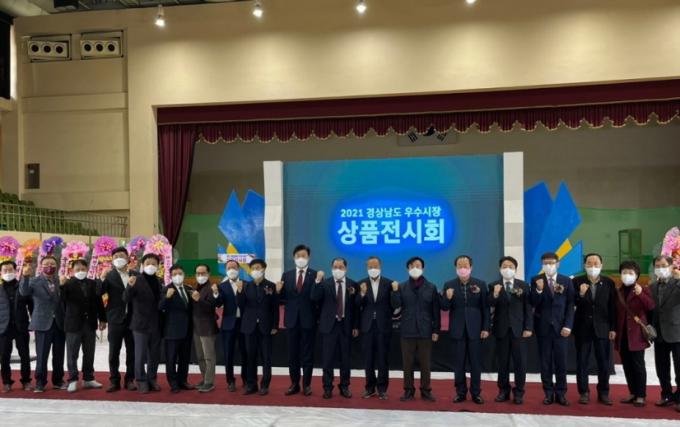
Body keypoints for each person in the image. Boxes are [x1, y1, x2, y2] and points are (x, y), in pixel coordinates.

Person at [441, 255, 490, 404]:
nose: (463, 268)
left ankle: (476, 393)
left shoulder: (480, 284)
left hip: (475, 329)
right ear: (456, 268)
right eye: (460, 266)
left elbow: (485, 308)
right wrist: (447, 298)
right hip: (457, 329)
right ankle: (460, 392)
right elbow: (444, 307)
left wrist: (485, 327)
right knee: (458, 364)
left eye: (465, 266)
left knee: (475, 363)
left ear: (471, 267)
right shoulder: (449, 284)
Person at [391, 256, 440, 402]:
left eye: (418, 266)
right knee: (407, 364)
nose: (415, 268)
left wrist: (436, 330)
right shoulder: (401, 286)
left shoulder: (431, 287)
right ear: (408, 269)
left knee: (425, 364)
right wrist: (395, 291)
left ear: (423, 268)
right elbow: (396, 305)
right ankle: (408, 390)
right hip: (407, 330)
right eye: (412, 266)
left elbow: (435, 311)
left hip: (425, 330)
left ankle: (426, 390)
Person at [530, 252, 575, 406]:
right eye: (545, 263)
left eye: (551, 263)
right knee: (545, 363)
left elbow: (570, 304)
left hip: (561, 328)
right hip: (543, 328)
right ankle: (548, 393)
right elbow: (533, 303)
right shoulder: (536, 280)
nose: (548, 266)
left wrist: (568, 325)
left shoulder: (566, 281)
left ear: (558, 264)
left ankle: (561, 393)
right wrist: (539, 290)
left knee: (561, 362)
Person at [572, 253, 617, 405]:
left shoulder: (609, 283)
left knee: (603, 362)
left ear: (601, 265)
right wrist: (580, 294)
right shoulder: (576, 281)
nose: (593, 266)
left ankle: (603, 393)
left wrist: (613, 327)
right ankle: (583, 392)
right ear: (584, 265)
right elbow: (572, 303)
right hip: (582, 328)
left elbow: (612, 307)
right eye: (589, 263)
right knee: (582, 362)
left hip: (603, 328)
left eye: (596, 263)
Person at [488, 256, 533, 405]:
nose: (507, 269)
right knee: (503, 363)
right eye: (504, 266)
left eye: (511, 266)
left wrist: (528, 327)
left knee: (520, 363)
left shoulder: (523, 285)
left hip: (519, 330)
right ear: (500, 269)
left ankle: (519, 392)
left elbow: (528, 308)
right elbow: (489, 303)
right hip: (501, 330)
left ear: (515, 269)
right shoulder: (493, 285)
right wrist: (495, 294)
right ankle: (503, 391)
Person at [311, 258, 358, 399]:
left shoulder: (352, 284)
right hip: (329, 326)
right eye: (335, 267)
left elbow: (355, 308)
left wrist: (355, 326)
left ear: (346, 269)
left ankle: (344, 386)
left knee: (345, 360)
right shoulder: (325, 284)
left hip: (345, 326)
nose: (338, 269)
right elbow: (314, 298)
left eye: (341, 267)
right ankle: (327, 387)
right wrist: (317, 281)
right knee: (327, 359)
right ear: (331, 268)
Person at [276, 244, 318, 396]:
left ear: (309, 257)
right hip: (291, 320)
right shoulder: (286, 275)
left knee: (307, 354)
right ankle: (294, 384)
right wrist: (278, 291)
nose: (301, 258)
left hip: (308, 319)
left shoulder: (315, 275)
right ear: (294, 258)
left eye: (304, 256)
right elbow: (282, 299)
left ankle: (306, 385)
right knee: (292, 354)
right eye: (298, 256)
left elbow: (317, 298)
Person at [19, 255, 66, 392]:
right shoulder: (34, 281)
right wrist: (25, 277)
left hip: (59, 323)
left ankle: (58, 380)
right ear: (41, 266)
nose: (49, 266)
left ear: (57, 266)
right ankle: (40, 382)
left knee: (59, 355)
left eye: (52, 263)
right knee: (42, 355)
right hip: (42, 323)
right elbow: (24, 292)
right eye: (46, 264)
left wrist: (64, 286)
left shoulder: (60, 280)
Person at [61, 259, 107, 393]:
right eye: (77, 269)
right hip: (73, 324)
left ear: (87, 270)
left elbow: (99, 302)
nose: (80, 271)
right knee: (72, 354)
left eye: (83, 269)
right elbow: (61, 300)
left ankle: (88, 378)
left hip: (90, 323)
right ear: (72, 271)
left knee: (89, 353)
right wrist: (62, 286)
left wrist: (103, 319)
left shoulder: (93, 283)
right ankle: (72, 379)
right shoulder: (67, 284)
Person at [615, 260, 655, 407]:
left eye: (630, 273)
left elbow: (651, 307)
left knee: (638, 365)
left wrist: (640, 295)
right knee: (627, 365)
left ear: (636, 275)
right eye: (624, 272)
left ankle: (641, 395)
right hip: (622, 334)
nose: (627, 275)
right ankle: (632, 393)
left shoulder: (643, 289)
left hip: (637, 335)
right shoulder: (618, 291)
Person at [237, 259, 279, 395]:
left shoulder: (271, 286)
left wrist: (275, 325)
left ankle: (265, 385)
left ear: (263, 269)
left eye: (258, 268)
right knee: (250, 357)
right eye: (253, 268)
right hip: (249, 326)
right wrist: (239, 292)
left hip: (266, 326)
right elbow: (241, 305)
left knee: (266, 357)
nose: (255, 270)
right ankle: (251, 384)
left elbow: (275, 308)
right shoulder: (246, 286)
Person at [99, 246, 137, 392]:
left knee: (132, 351)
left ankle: (129, 380)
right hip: (115, 318)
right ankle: (114, 380)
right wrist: (102, 278)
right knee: (114, 351)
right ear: (112, 260)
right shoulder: (109, 275)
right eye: (116, 256)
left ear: (128, 258)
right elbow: (99, 293)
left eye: (122, 255)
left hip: (133, 318)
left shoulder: (136, 274)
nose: (119, 258)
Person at [356, 256, 394, 400]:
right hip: (367, 327)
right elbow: (356, 305)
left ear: (380, 266)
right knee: (368, 359)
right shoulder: (361, 284)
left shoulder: (389, 283)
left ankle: (382, 389)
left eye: (375, 266)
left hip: (383, 326)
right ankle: (370, 388)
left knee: (383, 359)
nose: (373, 269)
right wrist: (362, 294)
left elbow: (394, 304)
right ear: (367, 268)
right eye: (370, 266)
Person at [125, 253, 163, 393]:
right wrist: (129, 287)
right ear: (142, 265)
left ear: (158, 266)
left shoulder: (159, 281)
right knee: (140, 355)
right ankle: (141, 380)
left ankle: (152, 379)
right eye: (148, 263)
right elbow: (125, 298)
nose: (151, 266)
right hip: (140, 324)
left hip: (156, 323)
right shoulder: (136, 280)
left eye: (154, 264)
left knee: (154, 355)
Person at [649, 255, 680, 408]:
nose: (660, 269)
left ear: (671, 266)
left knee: (679, 367)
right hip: (659, 332)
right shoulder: (652, 286)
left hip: (677, 332)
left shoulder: (677, 283)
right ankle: (666, 394)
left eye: (663, 265)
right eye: (657, 266)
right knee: (662, 367)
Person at [159, 264, 195, 393]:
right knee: (171, 359)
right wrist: (167, 297)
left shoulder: (189, 289)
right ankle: (173, 383)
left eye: (180, 273)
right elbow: (160, 307)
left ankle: (183, 381)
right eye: (174, 274)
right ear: (170, 276)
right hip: (172, 330)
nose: (178, 276)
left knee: (185, 358)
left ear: (184, 274)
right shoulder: (166, 289)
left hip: (187, 330)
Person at [0, 260, 33, 392]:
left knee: (25, 355)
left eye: (10, 270)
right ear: (1, 273)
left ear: (15, 271)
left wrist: (34, 322)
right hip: (3, 328)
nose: (8, 272)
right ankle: (7, 382)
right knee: (4, 357)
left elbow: (31, 305)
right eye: (5, 270)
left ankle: (26, 381)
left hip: (21, 326)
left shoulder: (22, 287)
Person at [215, 259, 247, 392]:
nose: (232, 270)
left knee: (246, 353)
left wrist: (241, 291)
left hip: (245, 324)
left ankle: (246, 379)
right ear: (226, 270)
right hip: (228, 325)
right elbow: (218, 304)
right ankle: (230, 381)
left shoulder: (246, 284)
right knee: (228, 354)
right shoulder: (222, 286)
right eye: (229, 268)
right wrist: (216, 294)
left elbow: (249, 303)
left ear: (239, 269)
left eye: (234, 267)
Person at [191, 263, 219, 393]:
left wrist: (198, 300)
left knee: (209, 357)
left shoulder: (212, 288)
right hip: (196, 326)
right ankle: (204, 378)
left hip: (207, 327)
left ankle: (209, 382)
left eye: (203, 273)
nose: (200, 275)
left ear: (208, 274)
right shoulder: (196, 287)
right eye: (198, 273)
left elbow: (211, 307)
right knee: (200, 356)